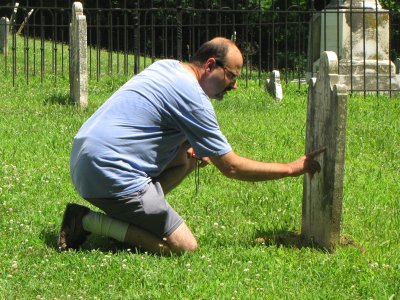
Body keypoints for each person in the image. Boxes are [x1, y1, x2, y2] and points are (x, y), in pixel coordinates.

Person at [58, 37, 324, 255]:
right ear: (210, 65)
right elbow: (231, 167)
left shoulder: (167, 67)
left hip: (84, 159)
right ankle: (86, 221)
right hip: (109, 173)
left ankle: (130, 222)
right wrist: (291, 168)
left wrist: (187, 145)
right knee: (184, 248)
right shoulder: (193, 98)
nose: (234, 85)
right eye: (231, 76)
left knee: (186, 159)